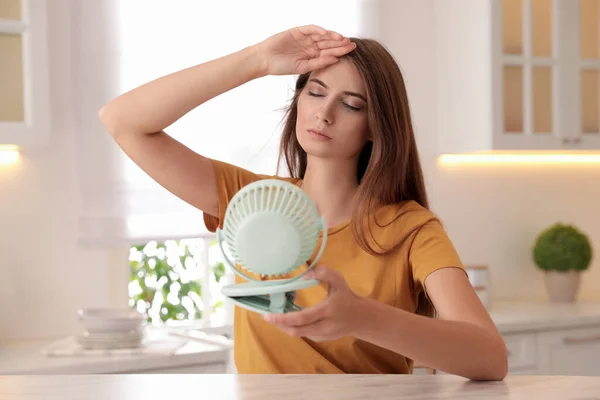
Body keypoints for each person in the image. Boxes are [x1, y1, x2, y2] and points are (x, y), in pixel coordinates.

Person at [99, 25, 508, 380]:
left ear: (376, 127)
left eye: (351, 104)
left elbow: (490, 357)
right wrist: (257, 59)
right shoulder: (251, 202)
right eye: (315, 92)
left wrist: (362, 317)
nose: (324, 114)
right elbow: (123, 120)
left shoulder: (411, 229)